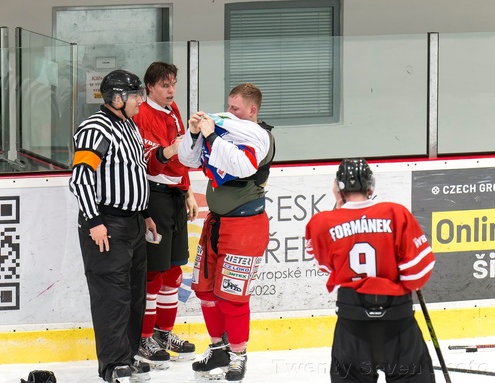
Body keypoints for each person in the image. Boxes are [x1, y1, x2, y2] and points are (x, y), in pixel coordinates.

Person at [304, 158, 436, 383]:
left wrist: (339, 207)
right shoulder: (396, 213)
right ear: (371, 186)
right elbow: (417, 272)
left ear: (337, 187)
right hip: (398, 322)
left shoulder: (322, 222)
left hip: (352, 324)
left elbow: (325, 264)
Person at [177, 83, 275, 382]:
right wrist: (194, 133)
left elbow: (241, 166)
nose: (228, 114)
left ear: (252, 110)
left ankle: (238, 354)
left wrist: (211, 132)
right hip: (216, 223)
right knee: (205, 290)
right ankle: (218, 348)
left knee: (232, 297)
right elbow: (189, 160)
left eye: (235, 109)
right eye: (228, 107)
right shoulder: (226, 131)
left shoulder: (260, 138)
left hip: (245, 226)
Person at [69, 69, 156, 383]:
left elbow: (133, 173)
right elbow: (81, 179)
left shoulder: (128, 125)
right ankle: (114, 365)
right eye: (135, 95)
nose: (140, 101)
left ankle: (127, 357)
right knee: (112, 296)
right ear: (117, 98)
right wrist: (94, 221)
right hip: (107, 224)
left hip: (131, 223)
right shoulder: (97, 128)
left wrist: (144, 213)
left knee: (134, 294)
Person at [131, 62, 198, 368]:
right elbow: (149, 162)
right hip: (153, 197)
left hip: (173, 197)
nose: (171, 90)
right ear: (150, 88)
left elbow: (181, 158)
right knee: (153, 273)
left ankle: (163, 332)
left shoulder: (173, 111)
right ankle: (143, 337)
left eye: (173, 84)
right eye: (164, 85)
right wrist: (171, 150)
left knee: (173, 270)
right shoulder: (141, 115)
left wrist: (187, 190)